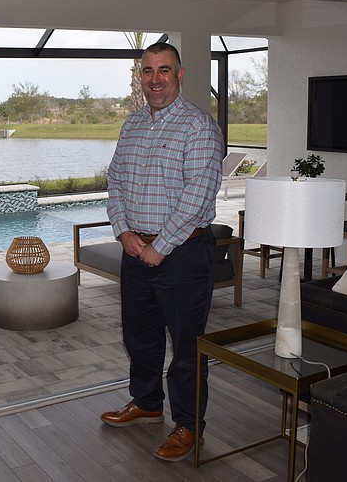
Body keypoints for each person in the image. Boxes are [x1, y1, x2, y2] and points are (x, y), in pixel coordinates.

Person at [101, 42, 224, 462]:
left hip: (184, 256)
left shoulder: (199, 127)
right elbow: (114, 181)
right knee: (140, 337)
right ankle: (148, 401)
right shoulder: (132, 125)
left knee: (187, 348)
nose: (155, 79)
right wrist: (123, 233)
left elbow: (198, 195)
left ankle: (189, 425)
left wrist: (161, 246)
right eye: (148, 71)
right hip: (135, 250)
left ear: (180, 74)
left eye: (164, 70)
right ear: (141, 76)